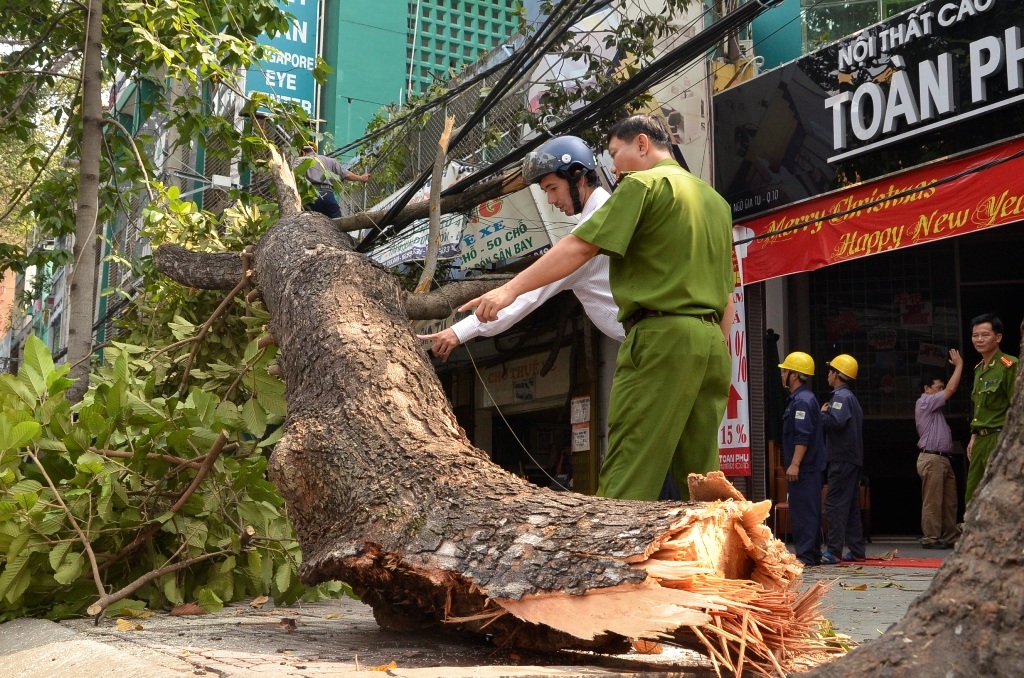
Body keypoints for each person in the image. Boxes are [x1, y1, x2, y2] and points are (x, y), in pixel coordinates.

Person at [462, 114, 735, 501]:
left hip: (661, 338)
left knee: (629, 468)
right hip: (712, 346)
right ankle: (724, 540)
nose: (612, 167)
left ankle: (616, 544)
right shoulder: (715, 202)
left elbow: (579, 246)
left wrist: (507, 290)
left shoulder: (643, 183)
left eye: (614, 153)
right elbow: (728, 296)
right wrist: (713, 349)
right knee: (703, 479)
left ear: (642, 144)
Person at [417, 136, 622, 361]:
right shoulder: (607, 214)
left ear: (578, 177)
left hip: (645, 342)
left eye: (553, 188)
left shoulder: (591, 232)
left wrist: (459, 331)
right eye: (546, 191)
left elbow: (529, 293)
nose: (551, 200)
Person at [779, 351, 826, 566]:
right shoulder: (803, 399)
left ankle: (806, 555)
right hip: (810, 468)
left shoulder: (801, 402)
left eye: (785, 371)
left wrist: (795, 464)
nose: (782, 375)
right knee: (809, 509)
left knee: (803, 511)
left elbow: (802, 436)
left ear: (795, 375)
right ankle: (812, 553)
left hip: (805, 468)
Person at [966, 314, 1018, 505]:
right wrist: (973, 437)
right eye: (975, 335)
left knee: (999, 494)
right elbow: (978, 407)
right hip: (979, 440)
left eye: (985, 335)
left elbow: (1017, 407)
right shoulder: (978, 369)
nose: (979, 339)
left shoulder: (1009, 365)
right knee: (972, 495)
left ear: (998, 337)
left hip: (999, 437)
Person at [819, 354, 866, 564]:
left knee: (834, 503)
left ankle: (833, 551)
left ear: (837, 374)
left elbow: (836, 422)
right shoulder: (851, 398)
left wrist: (822, 414)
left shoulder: (840, 397)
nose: (828, 375)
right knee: (851, 505)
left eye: (830, 371)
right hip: (852, 459)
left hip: (841, 458)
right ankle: (857, 550)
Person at [915, 349, 964, 549]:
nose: (942, 390)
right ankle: (931, 537)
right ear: (927, 388)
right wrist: (959, 365)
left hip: (942, 458)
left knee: (950, 500)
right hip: (932, 458)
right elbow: (951, 390)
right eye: (938, 387)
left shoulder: (935, 410)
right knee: (933, 500)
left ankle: (951, 535)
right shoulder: (924, 401)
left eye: (941, 387)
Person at [295, 140, 369, 219]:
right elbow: (346, 174)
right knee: (337, 222)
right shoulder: (330, 161)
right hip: (327, 195)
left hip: (310, 197)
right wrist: (361, 178)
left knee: (308, 222)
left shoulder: (299, 161)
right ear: (315, 151)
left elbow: (294, 176)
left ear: (303, 152)